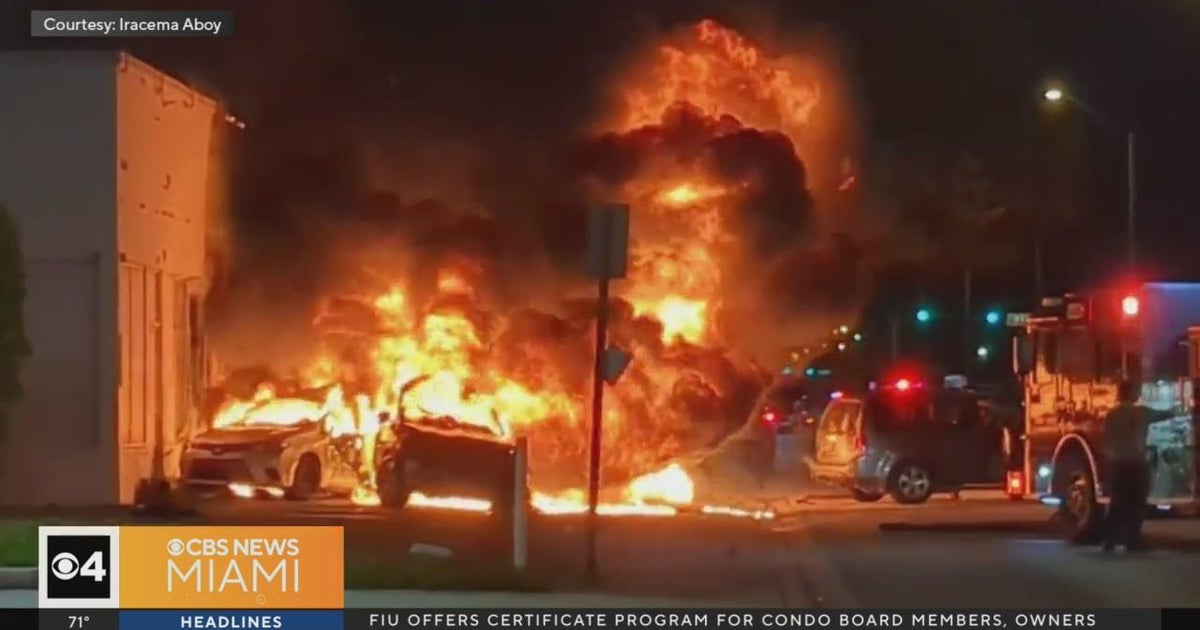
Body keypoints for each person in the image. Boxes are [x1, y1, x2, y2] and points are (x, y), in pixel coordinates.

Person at [1100, 380, 1156, 552]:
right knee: (1136, 503)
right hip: (1137, 463)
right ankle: (1133, 539)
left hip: (1118, 463)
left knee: (1118, 502)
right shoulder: (1142, 412)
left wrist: (1110, 457)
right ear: (1132, 393)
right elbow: (1167, 414)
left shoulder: (1112, 414)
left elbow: (1106, 440)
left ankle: (1109, 539)